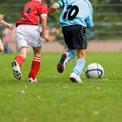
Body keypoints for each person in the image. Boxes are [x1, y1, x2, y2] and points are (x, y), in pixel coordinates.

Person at [49, 0, 94, 83]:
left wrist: (44, 16)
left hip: (65, 27)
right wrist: (89, 24)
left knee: (72, 49)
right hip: (77, 26)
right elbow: (89, 23)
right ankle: (75, 74)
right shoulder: (86, 3)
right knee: (82, 54)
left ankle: (67, 55)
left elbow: (54, 7)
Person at [11, 0, 49, 82]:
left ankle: (17, 62)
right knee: (37, 53)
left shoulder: (27, 4)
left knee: (22, 53)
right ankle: (32, 77)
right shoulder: (42, 5)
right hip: (32, 27)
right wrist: (44, 31)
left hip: (20, 28)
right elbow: (43, 17)